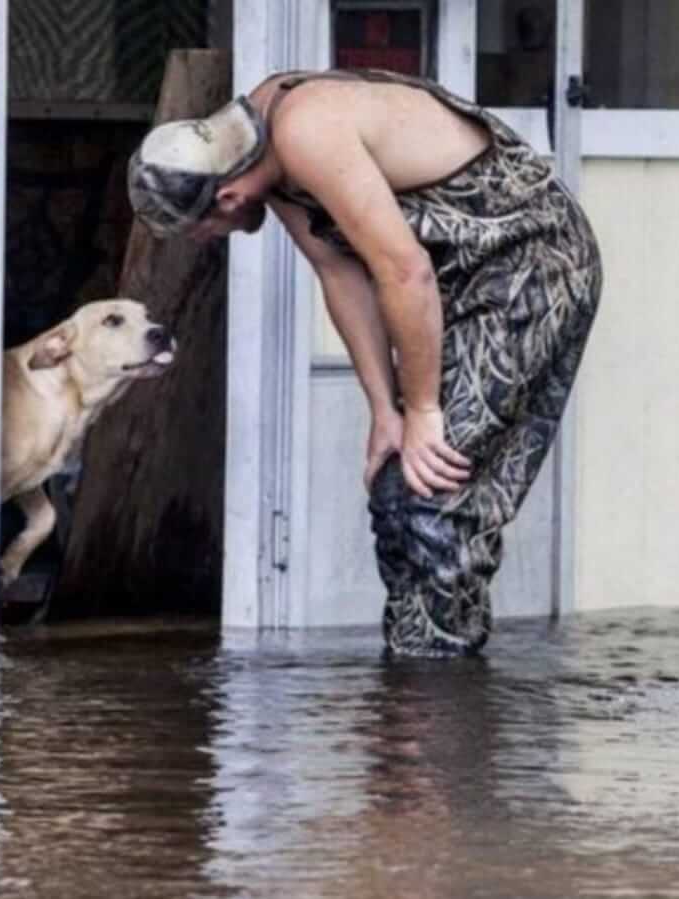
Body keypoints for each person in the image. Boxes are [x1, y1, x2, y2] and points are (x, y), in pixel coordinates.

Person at [126, 67, 603, 658]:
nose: (212, 241)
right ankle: (412, 685)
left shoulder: (304, 131)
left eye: (203, 233)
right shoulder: (258, 149)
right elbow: (340, 271)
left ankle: (438, 702)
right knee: (392, 486)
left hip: (531, 264)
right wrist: (386, 409)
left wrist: (424, 407)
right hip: (458, 280)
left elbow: (405, 272)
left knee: (430, 491)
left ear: (227, 196)